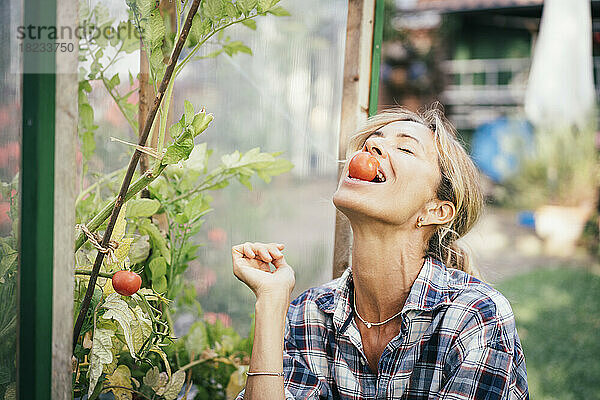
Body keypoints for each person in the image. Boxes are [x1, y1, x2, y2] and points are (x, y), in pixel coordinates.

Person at [231, 106, 529, 399]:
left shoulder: (475, 316)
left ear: (435, 210)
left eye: (405, 148)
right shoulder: (308, 314)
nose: (371, 144)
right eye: (373, 138)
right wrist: (271, 305)